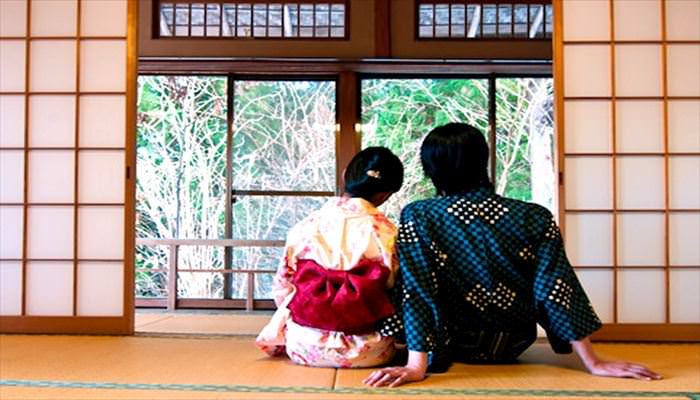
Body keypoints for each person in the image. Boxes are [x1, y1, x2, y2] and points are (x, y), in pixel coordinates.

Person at [363, 123, 662, 387]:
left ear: (432, 169)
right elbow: (555, 287)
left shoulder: (420, 214)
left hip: (446, 345)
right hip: (512, 344)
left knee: (395, 275)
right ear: (483, 161)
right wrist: (593, 361)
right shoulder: (534, 216)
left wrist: (416, 366)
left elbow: (418, 290)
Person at [256, 146, 404, 368]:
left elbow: (282, 287)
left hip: (304, 345)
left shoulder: (305, 226)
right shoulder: (388, 233)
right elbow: (395, 290)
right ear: (387, 194)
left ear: (346, 175)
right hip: (371, 352)